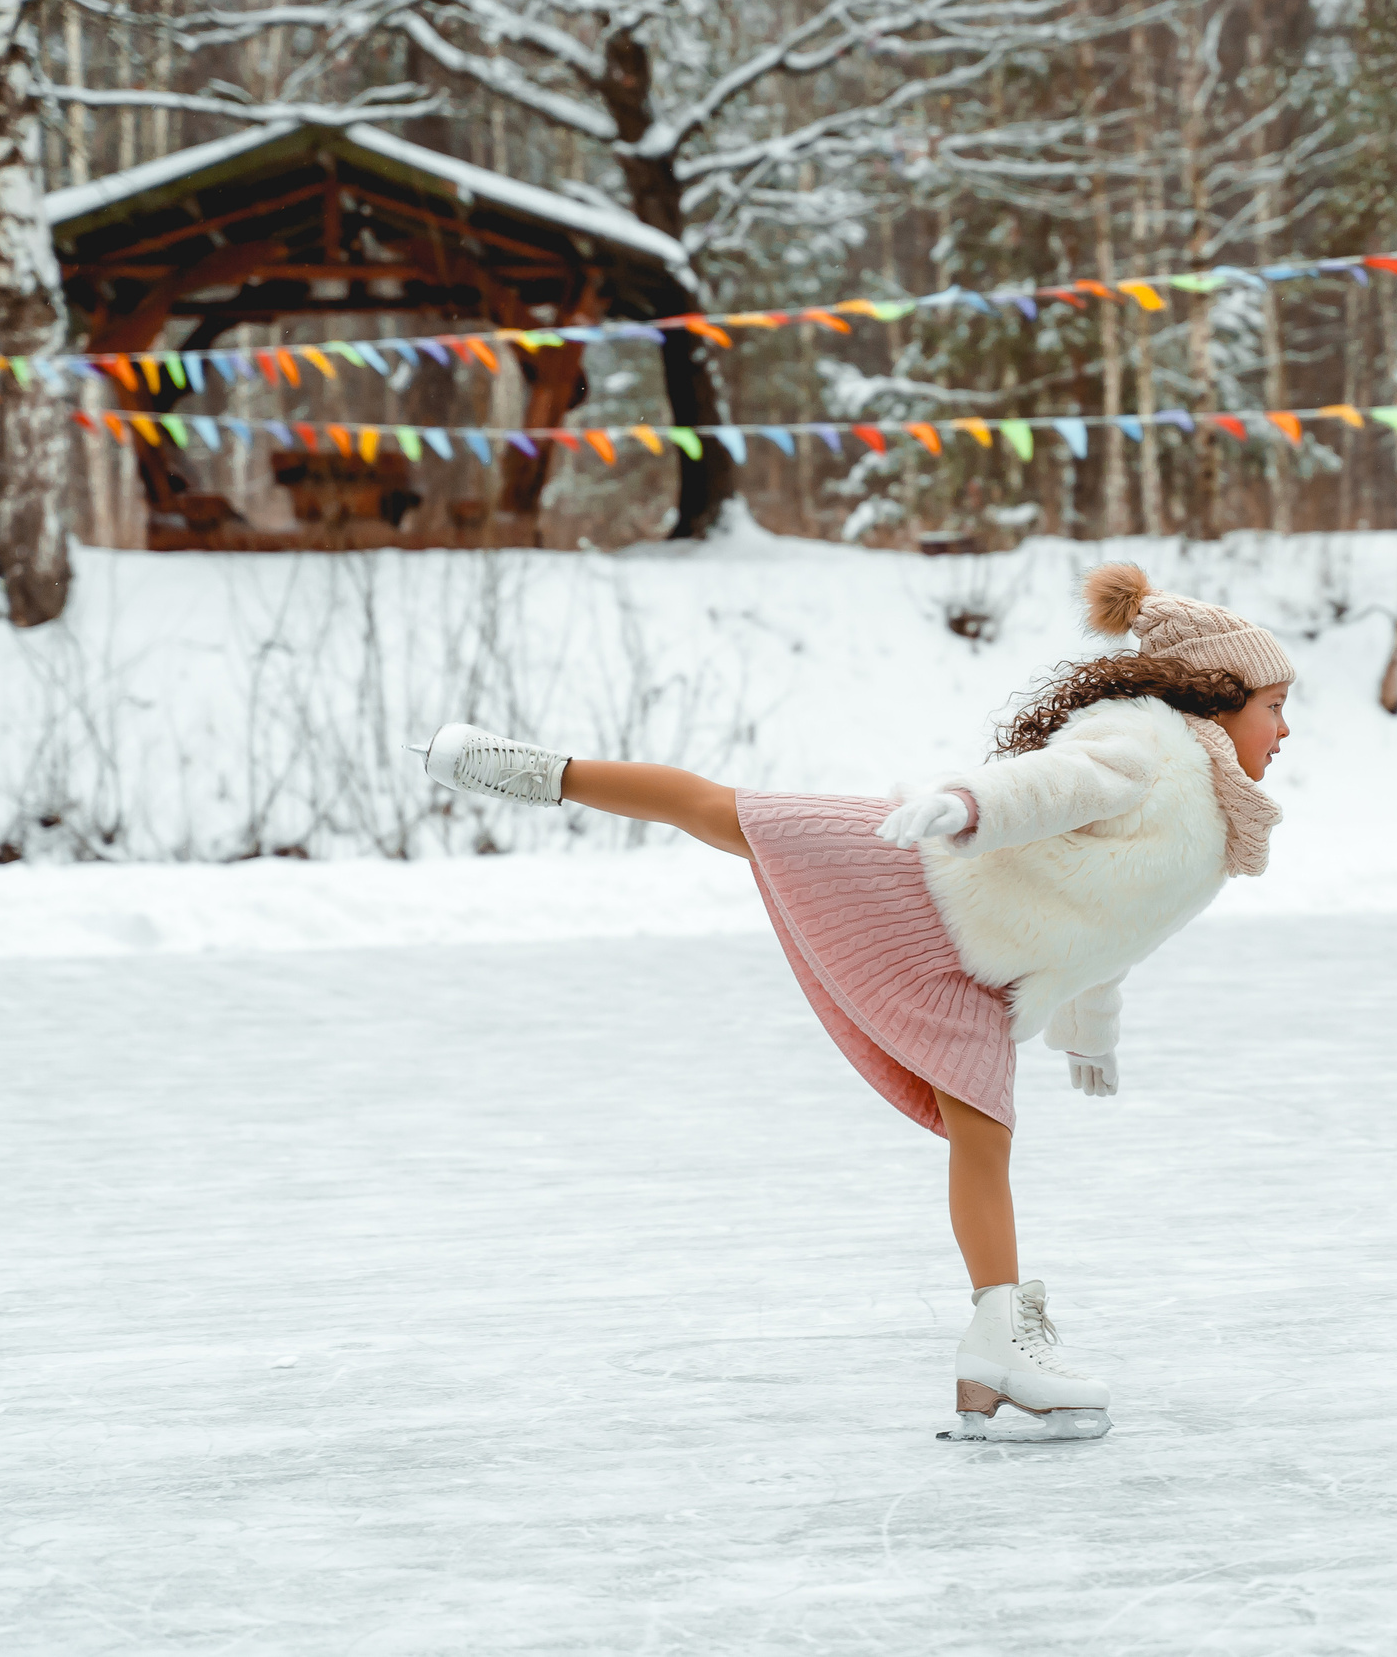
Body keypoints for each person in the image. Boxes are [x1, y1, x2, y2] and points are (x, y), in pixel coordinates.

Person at [416, 563, 1293, 1441]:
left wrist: (1089, 1033)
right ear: (1219, 700)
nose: (1284, 730)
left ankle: (996, 1343)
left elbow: (1104, 930)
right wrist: (962, 804)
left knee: (984, 1139)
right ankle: (533, 770)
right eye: (1273, 706)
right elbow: (1053, 787)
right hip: (920, 874)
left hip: (975, 973)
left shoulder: (1208, 828)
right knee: (727, 815)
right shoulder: (1150, 748)